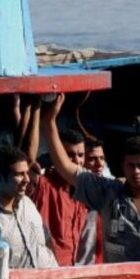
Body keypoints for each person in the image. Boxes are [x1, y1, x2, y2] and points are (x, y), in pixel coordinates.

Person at [41, 94, 140, 262]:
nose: (136, 171)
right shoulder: (107, 193)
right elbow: (66, 167)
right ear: (122, 166)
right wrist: (49, 123)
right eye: (131, 165)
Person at [24, 110, 91, 266]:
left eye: (80, 155)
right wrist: (35, 108)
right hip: (46, 272)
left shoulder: (86, 190)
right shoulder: (43, 185)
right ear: (57, 154)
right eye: (70, 155)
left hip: (76, 273)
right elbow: (27, 160)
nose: (77, 161)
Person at [0, 147, 57, 269]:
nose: (27, 179)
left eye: (27, 172)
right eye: (19, 174)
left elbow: (46, 240)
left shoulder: (28, 204)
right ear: (0, 177)